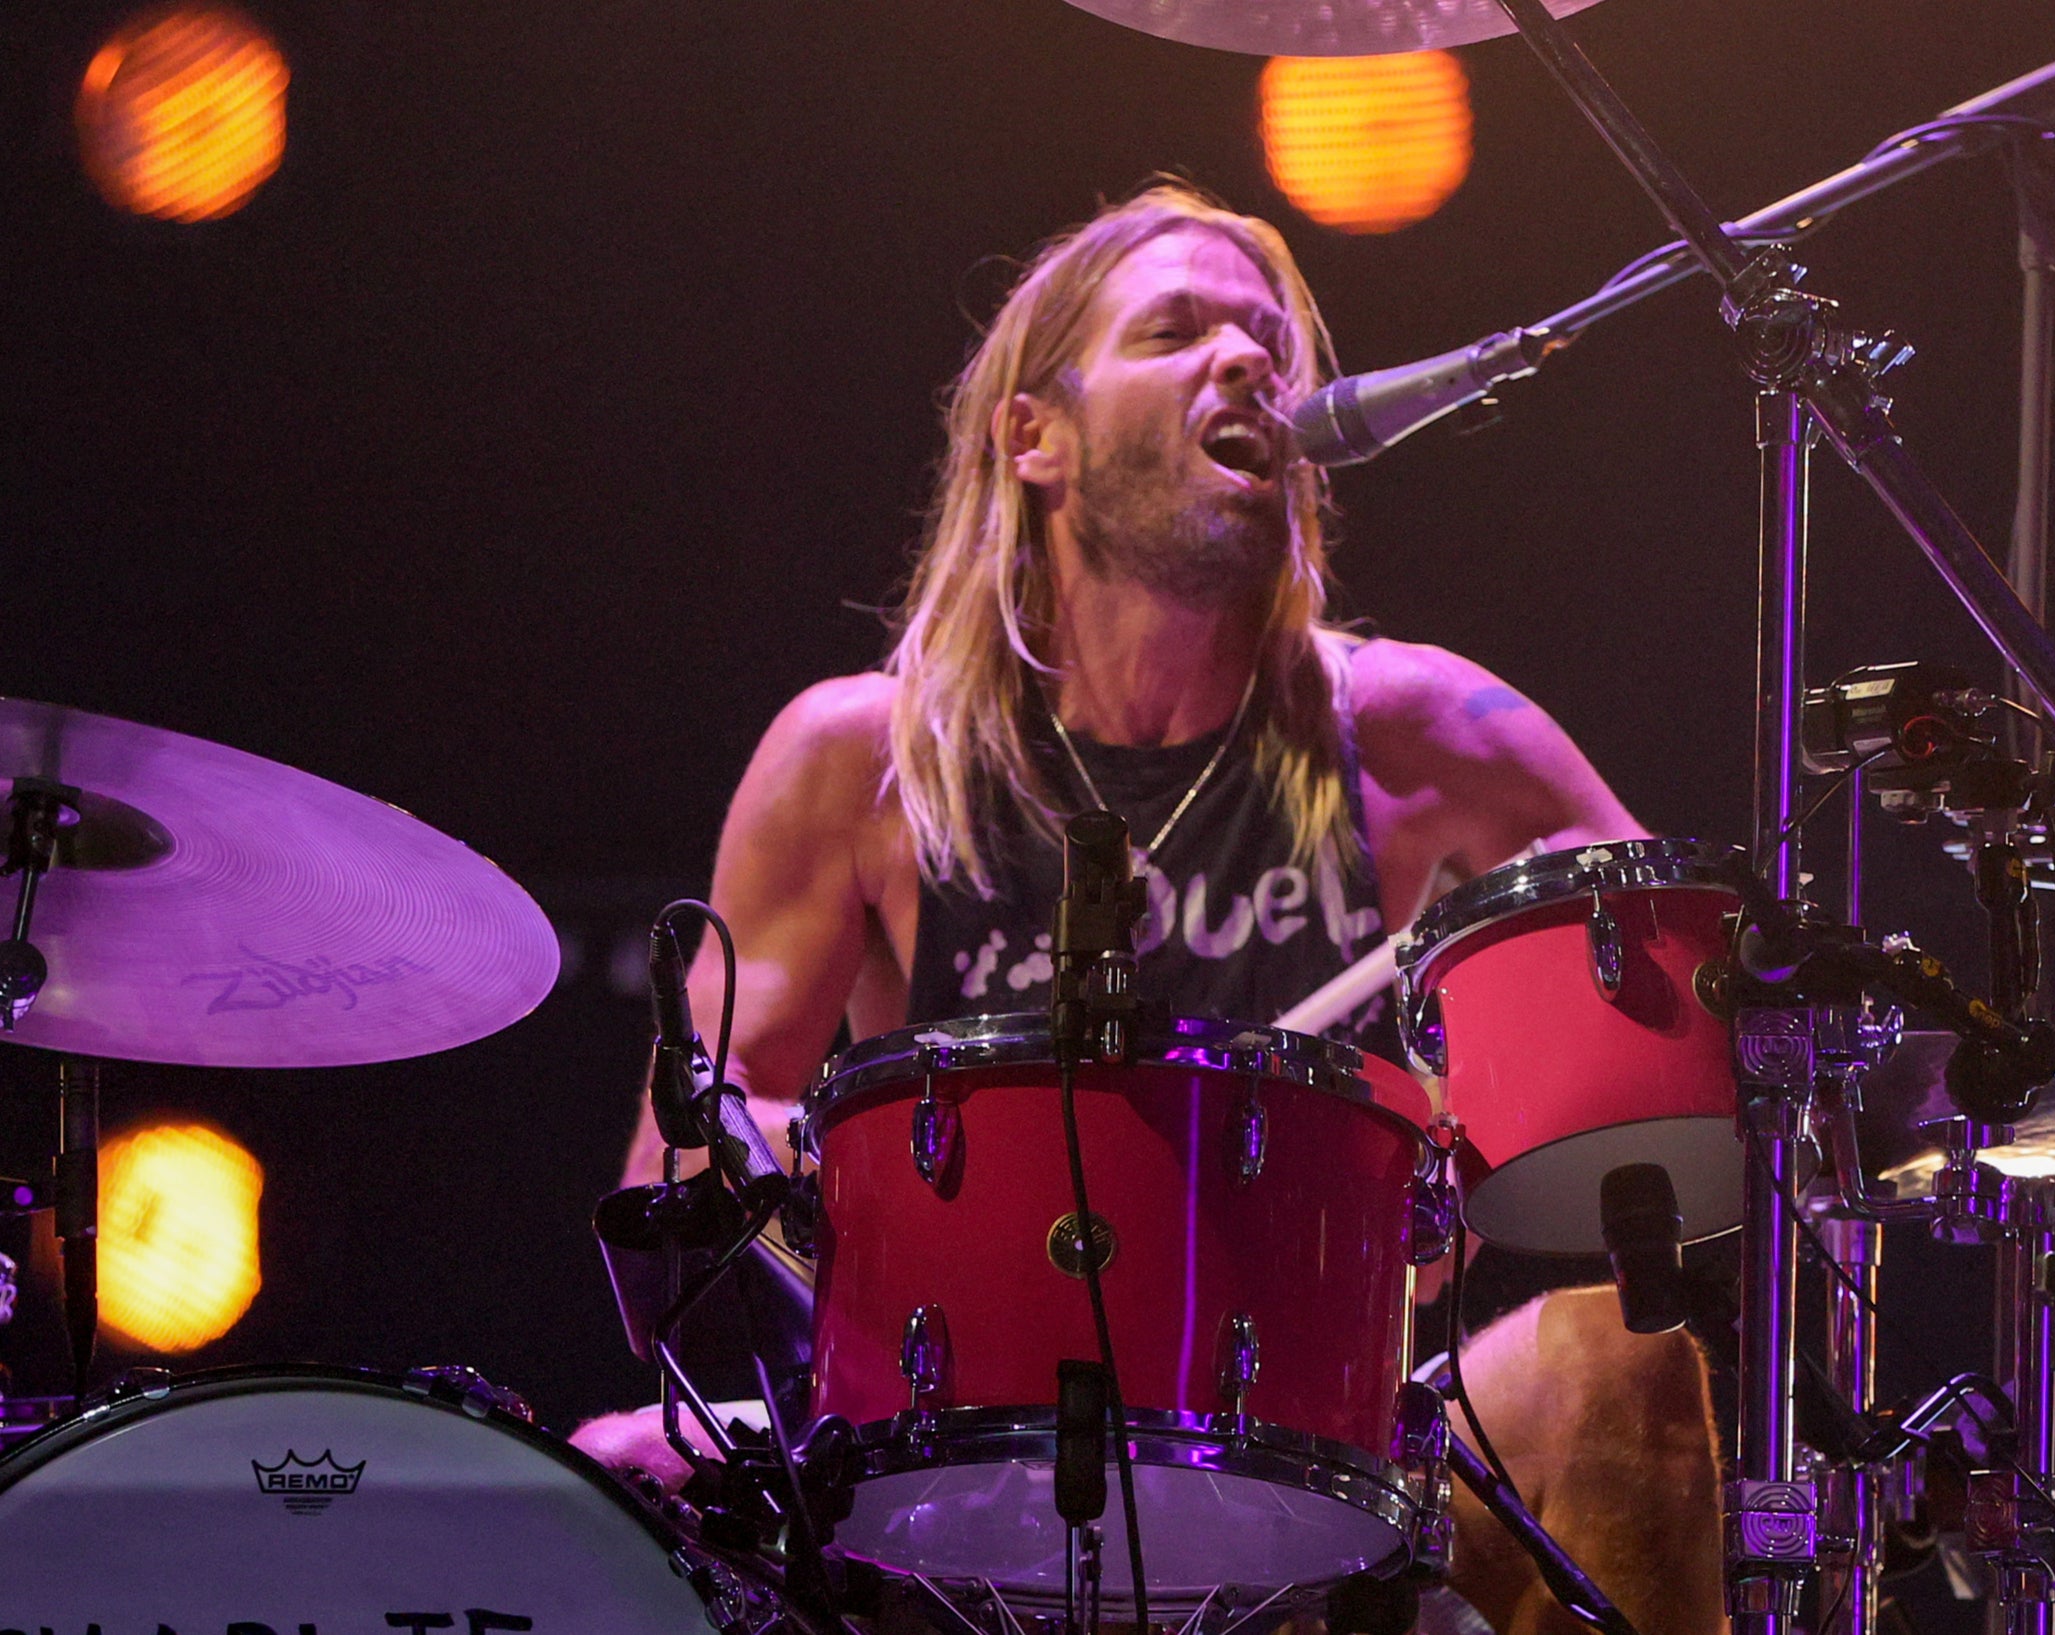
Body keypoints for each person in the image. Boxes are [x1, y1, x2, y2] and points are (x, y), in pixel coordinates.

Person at [576, 183, 1724, 1635]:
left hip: (1335, 1453)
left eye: (1265, 342)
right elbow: (700, 1121)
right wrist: (803, 1209)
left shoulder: (1416, 733)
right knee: (596, 1503)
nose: (1243, 361)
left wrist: (1455, 1152)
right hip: (954, 1462)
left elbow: (1688, 990)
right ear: (1032, 438)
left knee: (1621, 1362)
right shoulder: (866, 761)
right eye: (1175, 331)